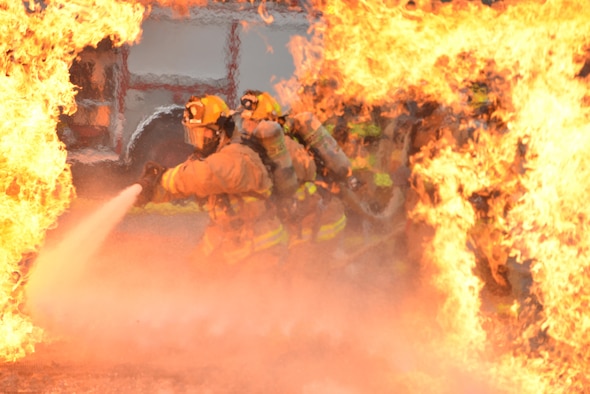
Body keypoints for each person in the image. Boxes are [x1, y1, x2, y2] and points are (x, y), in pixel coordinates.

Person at [135, 94, 288, 275]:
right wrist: (151, 191)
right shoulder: (216, 156)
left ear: (221, 129)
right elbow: (188, 180)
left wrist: (164, 179)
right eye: (192, 135)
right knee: (196, 277)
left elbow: (203, 176)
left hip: (263, 256)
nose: (197, 142)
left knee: (244, 300)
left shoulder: (239, 157)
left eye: (201, 133)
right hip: (237, 247)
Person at [236, 90, 349, 270]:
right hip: (301, 221)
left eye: (250, 122)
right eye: (244, 122)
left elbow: (306, 172)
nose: (245, 127)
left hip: (315, 225)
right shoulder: (264, 147)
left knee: (302, 279)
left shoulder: (285, 146)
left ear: (266, 123)